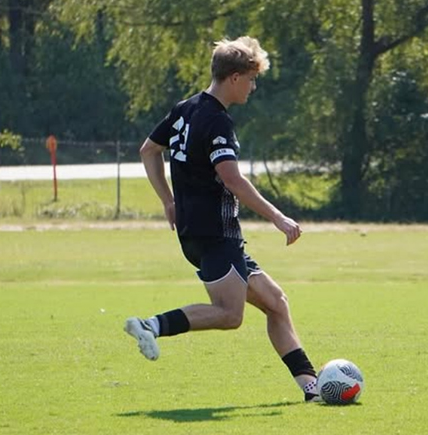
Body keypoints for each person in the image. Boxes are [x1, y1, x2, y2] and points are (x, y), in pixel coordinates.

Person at [124, 36, 320, 402]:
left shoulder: (186, 108)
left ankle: (311, 387)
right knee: (230, 314)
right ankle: (151, 325)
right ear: (233, 77)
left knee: (276, 302)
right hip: (214, 232)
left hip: (201, 231)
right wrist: (279, 218)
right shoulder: (216, 120)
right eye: (251, 78)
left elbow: (149, 150)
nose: (253, 86)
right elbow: (232, 179)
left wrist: (168, 201)